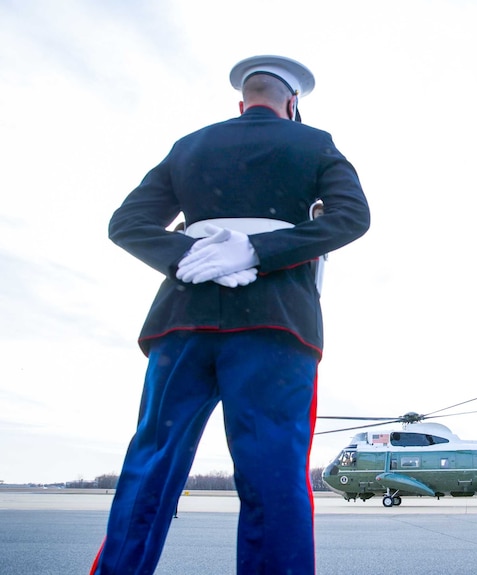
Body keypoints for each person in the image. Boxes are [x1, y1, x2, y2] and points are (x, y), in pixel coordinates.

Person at [91, 55, 370, 574]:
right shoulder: (314, 144)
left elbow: (126, 223)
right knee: (273, 479)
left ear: (241, 103)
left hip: (183, 321)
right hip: (275, 323)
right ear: (292, 104)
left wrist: (187, 256)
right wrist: (258, 252)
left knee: (150, 465)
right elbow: (354, 217)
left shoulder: (191, 146)